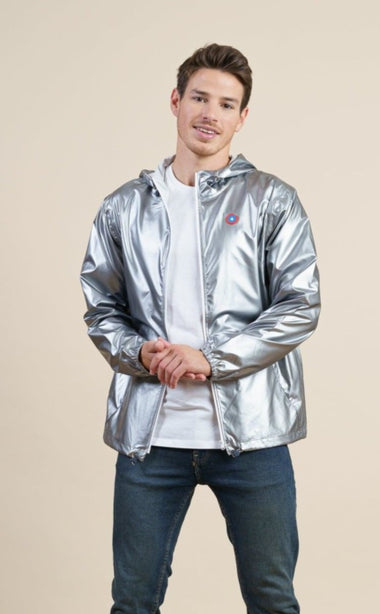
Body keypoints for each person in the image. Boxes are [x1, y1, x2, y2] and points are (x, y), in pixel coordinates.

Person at [80, 43, 320, 614]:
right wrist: (141, 353)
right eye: (200, 98)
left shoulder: (271, 199)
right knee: (132, 601)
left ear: (242, 117)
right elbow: (101, 306)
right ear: (176, 101)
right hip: (151, 439)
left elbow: (300, 304)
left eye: (226, 104)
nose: (211, 113)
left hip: (253, 436)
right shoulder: (123, 207)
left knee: (272, 599)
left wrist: (211, 359)